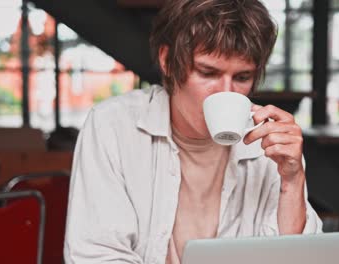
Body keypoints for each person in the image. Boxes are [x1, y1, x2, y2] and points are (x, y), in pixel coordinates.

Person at [64, 0, 323, 263]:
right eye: (208, 72)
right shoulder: (113, 126)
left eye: (242, 77)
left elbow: (293, 258)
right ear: (167, 60)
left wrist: (292, 181)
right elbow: (96, 254)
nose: (226, 91)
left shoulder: (269, 141)